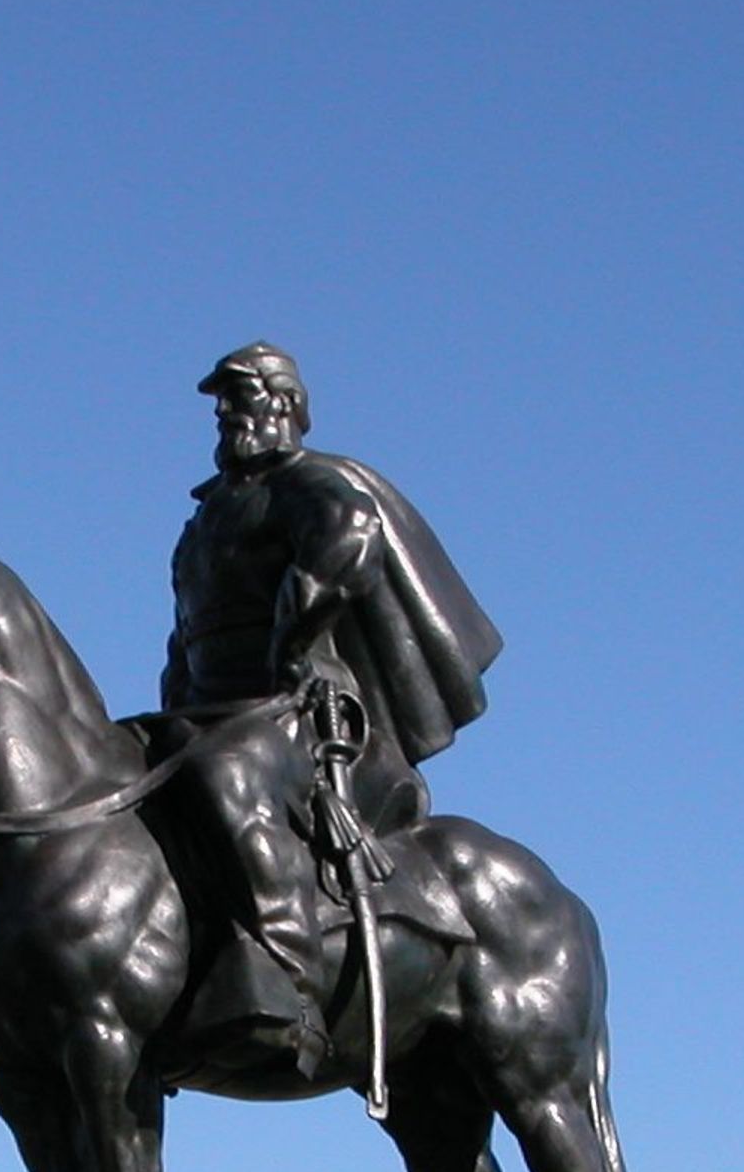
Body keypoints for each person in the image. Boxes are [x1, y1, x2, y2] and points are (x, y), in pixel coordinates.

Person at [155, 344, 502, 1063]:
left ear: (281, 404)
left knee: (227, 775)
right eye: (222, 401)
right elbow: (187, 628)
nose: (224, 413)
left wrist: (298, 629)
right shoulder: (208, 515)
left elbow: (352, 538)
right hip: (208, 714)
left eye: (238, 396)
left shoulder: (308, 484)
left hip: (301, 712)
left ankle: (285, 978)